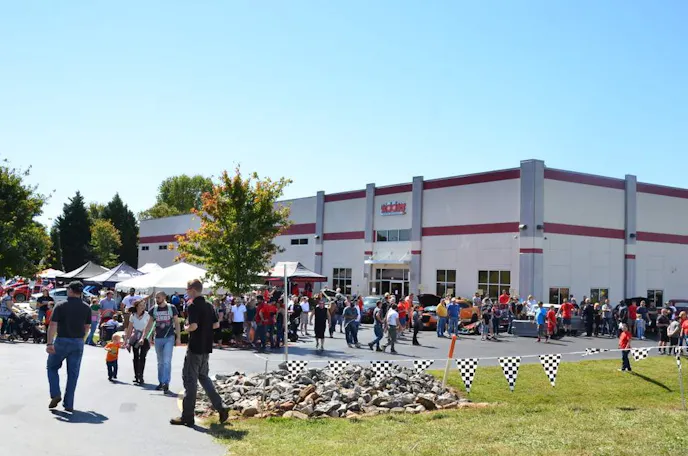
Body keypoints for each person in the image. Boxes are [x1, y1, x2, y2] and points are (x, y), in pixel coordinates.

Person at [170, 279, 228, 426]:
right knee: (204, 377)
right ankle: (220, 406)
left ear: (193, 290)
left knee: (190, 380)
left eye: (187, 290)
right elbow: (216, 324)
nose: (186, 292)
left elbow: (194, 326)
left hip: (195, 347)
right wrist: (205, 328)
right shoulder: (209, 305)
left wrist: (186, 327)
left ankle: (187, 416)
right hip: (206, 346)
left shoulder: (193, 305)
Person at [46, 281, 91, 411]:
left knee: (52, 367)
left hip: (62, 340)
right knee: (73, 374)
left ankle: (55, 393)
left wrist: (49, 343)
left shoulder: (61, 305)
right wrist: (82, 339)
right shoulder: (86, 307)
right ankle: (69, 403)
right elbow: (87, 327)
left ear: (70, 290)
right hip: (77, 342)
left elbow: (53, 325)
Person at [144, 291, 181, 392]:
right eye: (156, 297)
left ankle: (166, 382)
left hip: (169, 337)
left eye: (158, 297)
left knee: (166, 361)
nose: (157, 299)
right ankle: (161, 382)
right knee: (160, 362)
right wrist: (145, 336)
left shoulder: (171, 308)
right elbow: (149, 324)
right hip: (158, 338)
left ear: (164, 297)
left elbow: (177, 323)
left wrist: (178, 338)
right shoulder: (154, 309)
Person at [125, 299, 151, 385]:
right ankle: (136, 376)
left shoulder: (147, 315)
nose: (142, 307)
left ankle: (141, 376)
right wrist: (127, 340)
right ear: (136, 306)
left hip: (144, 337)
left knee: (142, 357)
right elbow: (130, 328)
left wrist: (149, 337)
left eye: (144, 305)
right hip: (135, 337)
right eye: (141, 305)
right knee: (136, 356)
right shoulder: (133, 315)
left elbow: (149, 327)